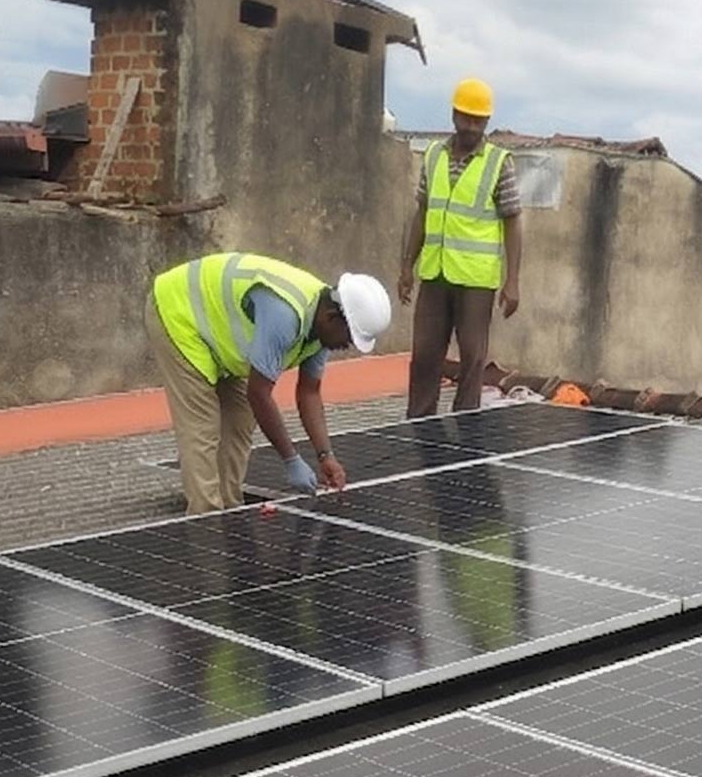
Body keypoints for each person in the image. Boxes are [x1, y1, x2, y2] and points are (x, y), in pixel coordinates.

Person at [145, 251, 392, 513]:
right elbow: (259, 394)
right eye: (350, 336)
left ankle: (230, 509)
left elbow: (309, 393)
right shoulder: (285, 316)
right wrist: (291, 459)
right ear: (332, 316)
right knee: (202, 427)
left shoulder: (322, 328)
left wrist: (325, 456)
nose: (348, 345)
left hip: (216, 333)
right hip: (178, 311)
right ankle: (206, 522)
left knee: (240, 418)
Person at [398, 77, 522, 418]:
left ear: (487, 122)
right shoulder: (434, 156)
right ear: (454, 115)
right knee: (424, 355)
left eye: (478, 120)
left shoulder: (499, 162)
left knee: (472, 357)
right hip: (435, 274)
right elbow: (422, 213)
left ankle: (465, 428)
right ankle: (419, 424)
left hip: (476, 280)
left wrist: (513, 281)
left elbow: (513, 220)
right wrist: (406, 266)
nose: (471, 126)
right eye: (466, 117)